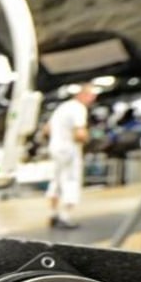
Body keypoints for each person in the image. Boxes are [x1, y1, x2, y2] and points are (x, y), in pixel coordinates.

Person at [45, 83, 98, 229]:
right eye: (91, 96)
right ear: (83, 95)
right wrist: (88, 140)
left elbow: (47, 129)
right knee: (71, 180)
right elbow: (80, 133)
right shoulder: (79, 108)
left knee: (56, 180)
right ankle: (65, 216)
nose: (92, 100)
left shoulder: (62, 107)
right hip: (69, 149)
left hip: (55, 147)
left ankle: (52, 214)